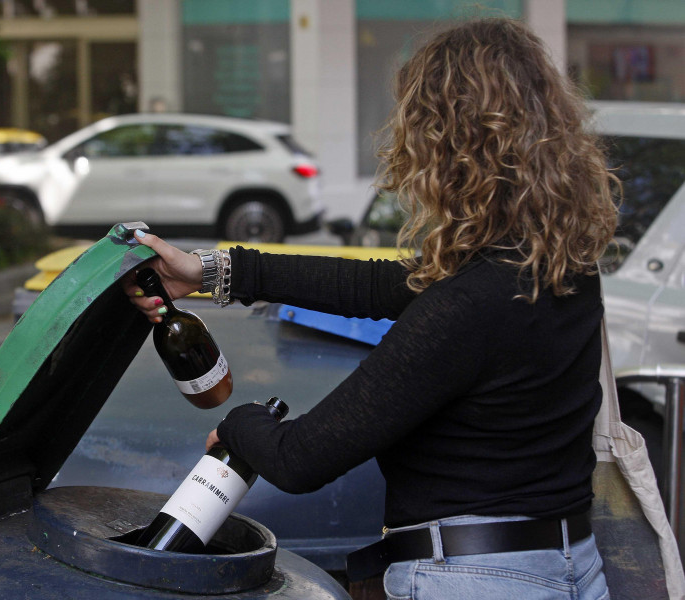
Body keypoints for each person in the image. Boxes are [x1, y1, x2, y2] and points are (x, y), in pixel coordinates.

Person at [124, 17, 618, 599]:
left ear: (448, 145)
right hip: (572, 564)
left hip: (475, 580)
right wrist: (208, 271)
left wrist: (238, 424)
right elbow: (375, 285)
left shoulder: (467, 305)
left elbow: (301, 458)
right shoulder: (560, 268)